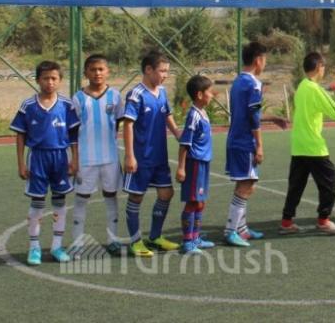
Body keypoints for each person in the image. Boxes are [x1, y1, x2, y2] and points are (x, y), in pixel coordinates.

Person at [280, 52, 335, 235]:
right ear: (319, 67)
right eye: (323, 66)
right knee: (330, 180)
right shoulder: (315, 89)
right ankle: (323, 220)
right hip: (313, 146)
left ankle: (286, 222)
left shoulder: (302, 86)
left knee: (296, 185)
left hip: (298, 145)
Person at [11, 60, 80, 266]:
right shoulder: (28, 105)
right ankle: (34, 248)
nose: (50, 82)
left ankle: (57, 246)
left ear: (60, 80)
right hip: (37, 158)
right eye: (45, 78)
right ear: (38, 80)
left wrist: (75, 159)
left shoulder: (66, 105)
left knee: (59, 201)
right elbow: (20, 135)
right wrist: (21, 163)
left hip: (60, 158)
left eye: (54, 78)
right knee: (37, 202)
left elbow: (73, 135)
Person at [224, 41, 287, 247]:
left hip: (235, 139)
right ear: (258, 60)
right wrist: (259, 145)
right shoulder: (254, 84)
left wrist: (272, 118)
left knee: (246, 183)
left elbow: (251, 113)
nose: (265, 64)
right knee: (247, 186)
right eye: (265, 59)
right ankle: (231, 231)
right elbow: (252, 118)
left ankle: (241, 229)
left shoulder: (238, 81)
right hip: (245, 142)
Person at [121, 50, 181, 257]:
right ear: (148, 69)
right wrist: (130, 156)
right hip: (141, 157)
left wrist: (178, 133)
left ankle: (155, 237)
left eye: (167, 71)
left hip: (159, 156)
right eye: (162, 71)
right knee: (136, 196)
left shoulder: (161, 92)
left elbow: (167, 115)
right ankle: (135, 241)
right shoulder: (136, 94)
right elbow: (128, 125)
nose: (165, 75)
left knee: (166, 193)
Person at [70, 54, 125, 256]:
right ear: (86, 73)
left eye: (101, 69)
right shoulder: (78, 98)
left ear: (108, 71)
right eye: (93, 70)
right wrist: (74, 158)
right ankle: (77, 242)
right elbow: (73, 130)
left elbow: (118, 123)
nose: (97, 73)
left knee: (111, 196)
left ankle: (113, 240)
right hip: (86, 159)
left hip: (110, 158)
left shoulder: (115, 96)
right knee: (82, 198)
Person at [176, 75, 216, 254]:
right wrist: (181, 167)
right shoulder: (193, 115)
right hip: (194, 164)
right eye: (209, 92)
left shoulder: (202, 112)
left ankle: (195, 237)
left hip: (204, 163)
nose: (212, 95)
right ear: (200, 94)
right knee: (192, 202)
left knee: (200, 202)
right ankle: (187, 242)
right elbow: (185, 143)